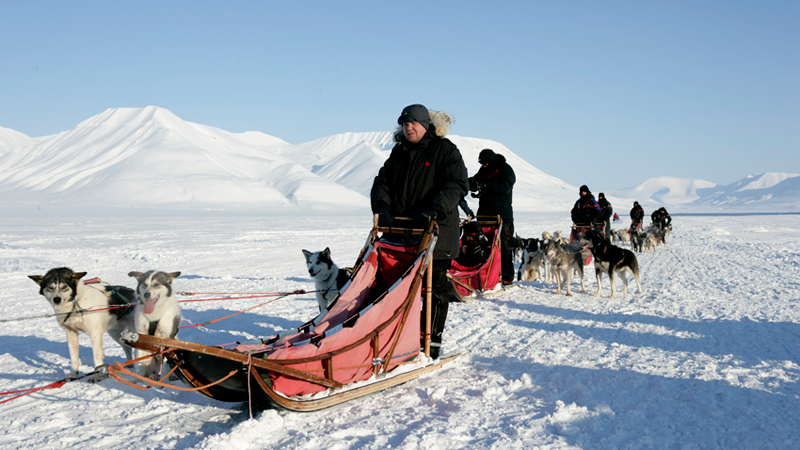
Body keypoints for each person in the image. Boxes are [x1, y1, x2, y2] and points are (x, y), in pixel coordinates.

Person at [370, 104, 469, 359]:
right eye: (404, 124)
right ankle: (398, 338)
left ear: (426, 125)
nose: (408, 127)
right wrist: (383, 208)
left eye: (412, 123)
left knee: (434, 289)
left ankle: (431, 342)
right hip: (401, 234)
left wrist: (434, 210)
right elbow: (382, 182)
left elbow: (455, 184)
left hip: (436, 233)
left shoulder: (445, 151)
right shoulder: (398, 152)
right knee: (396, 289)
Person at [468, 149, 516, 286]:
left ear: (491, 161)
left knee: (505, 247)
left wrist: (485, 185)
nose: (484, 166)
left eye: (486, 164)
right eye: (482, 164)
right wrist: (471, 183)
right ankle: (483, 274)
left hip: (502, 215)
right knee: (481, 245)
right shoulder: (484, 169)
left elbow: (504, 187)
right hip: (484, 214)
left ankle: (507, 277)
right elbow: (476, 180)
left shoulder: (506, 170)